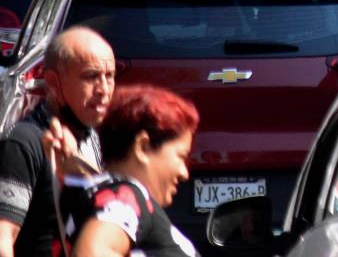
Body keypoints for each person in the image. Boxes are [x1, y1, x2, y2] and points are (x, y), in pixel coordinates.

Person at [0, 28, 114, 257]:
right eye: (91, 76)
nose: (103, 89)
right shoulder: (25, 142)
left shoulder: (93, 136)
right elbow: (3, 240)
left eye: (110, 76)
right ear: (54, 81)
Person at [58, 85, 199, 257]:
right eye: (181, 156)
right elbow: (92, 253)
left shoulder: (88, 196)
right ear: (143, 147)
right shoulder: (127, 195)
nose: (184, 172)